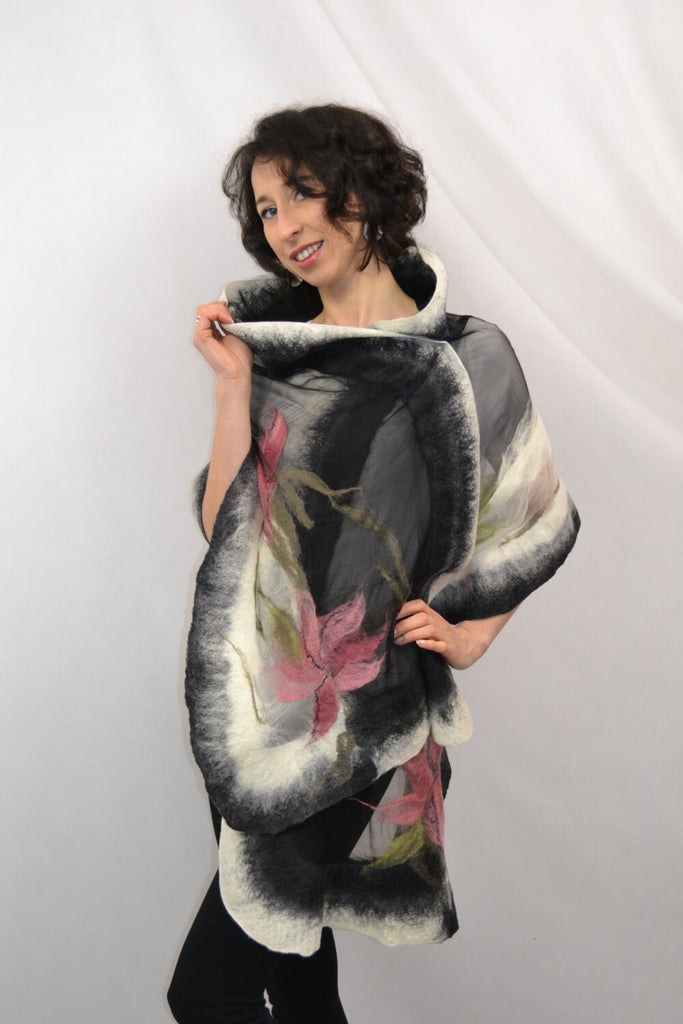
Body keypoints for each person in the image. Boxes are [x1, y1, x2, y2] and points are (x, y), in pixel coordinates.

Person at [168, 104, 579, 1023]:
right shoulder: (274, 356)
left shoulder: (462, 356)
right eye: (266, 210)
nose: (285, 225)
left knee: (206, 992)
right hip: (253, 705)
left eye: (301, 193)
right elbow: (224, 527)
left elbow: (531, 510)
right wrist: (233, 388)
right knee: (294, 977)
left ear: (362, 190)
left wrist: (473, 634)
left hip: (362, 708)